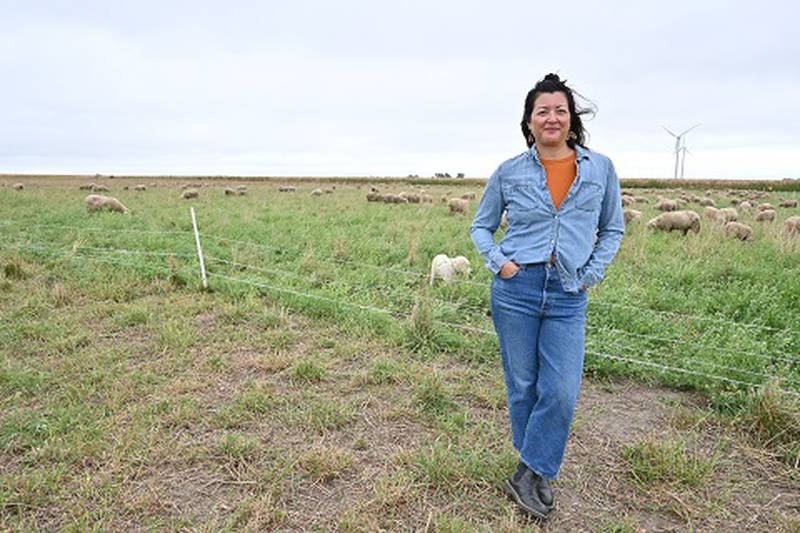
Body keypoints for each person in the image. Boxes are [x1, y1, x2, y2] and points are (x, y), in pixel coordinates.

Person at [469, 73, 624, 519]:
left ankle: (529, 469)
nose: (552, 117)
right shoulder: (509, 171)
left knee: (560, 390)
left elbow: (612, 227)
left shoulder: (601, 169)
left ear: (571, 118)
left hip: (567, 292)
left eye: (560, 110)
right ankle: (532, 474)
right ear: (530, 121)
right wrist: (500, 263)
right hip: (516, 289)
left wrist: (590, 272)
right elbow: (481, 225)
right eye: (543, 111)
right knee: (523, 385)